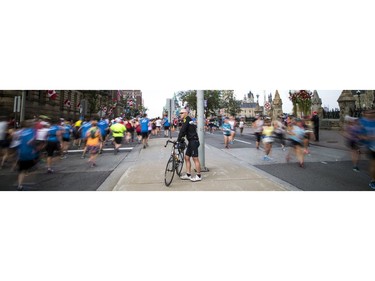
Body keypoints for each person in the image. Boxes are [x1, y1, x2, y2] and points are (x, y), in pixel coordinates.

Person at [177, 108, 202, 182]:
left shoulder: (187, 119)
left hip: (194, 141)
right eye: (180, 113)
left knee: (195, 158)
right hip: (191, 141)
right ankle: (188, 174)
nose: (180, 114)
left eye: (181, 113)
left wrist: (178, 139)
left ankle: (198, 175)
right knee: (187, 157)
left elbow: (183, 130)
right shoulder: (188, 120)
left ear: (186, 113)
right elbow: (186, 130)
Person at [358, 109, 375, 189]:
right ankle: (373, 180)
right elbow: (360, 135)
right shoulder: (363, 122)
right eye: (370, 112)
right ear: (366, 113)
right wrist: (367, 137)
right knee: (373, 165)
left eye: (373, 112)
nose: (372, 114)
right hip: (371, 147)